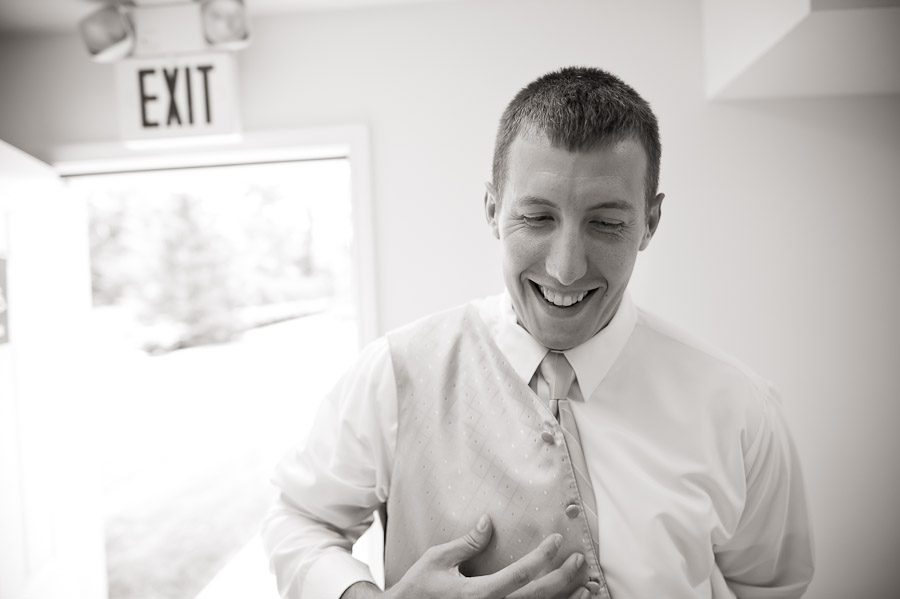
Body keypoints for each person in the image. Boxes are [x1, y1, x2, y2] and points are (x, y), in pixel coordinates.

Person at [262, 66, 815, 599]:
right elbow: (298, 518)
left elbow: (771, 587)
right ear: (492, 209)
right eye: (537, 218)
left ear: (650, 222)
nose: (566, 268)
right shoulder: (394, 374)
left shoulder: (739, 409)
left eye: (607, 222)